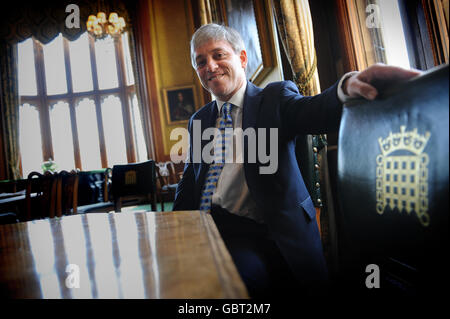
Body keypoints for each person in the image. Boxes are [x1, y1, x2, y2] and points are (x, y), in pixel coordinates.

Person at [173, 23, 420, 297]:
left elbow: (314, 111)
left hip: (259, 232)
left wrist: (346, 87)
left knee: (218, 286)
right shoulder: (199, 120)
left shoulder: (274, 99)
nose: (210, 66)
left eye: (219, 55)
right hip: (208, 226)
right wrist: (172, 232)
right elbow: (190, 181)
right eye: (201, 61)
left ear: (241, 58)